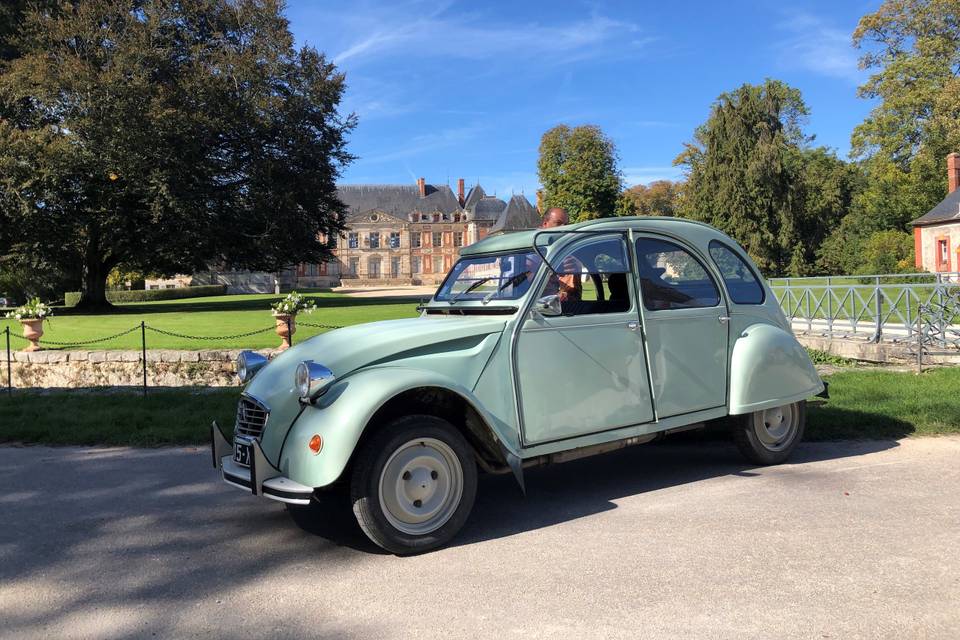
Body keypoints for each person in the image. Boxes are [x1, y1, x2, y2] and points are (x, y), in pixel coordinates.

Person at [538, 207, 582, 304]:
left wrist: (578, 269)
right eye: (558, 223)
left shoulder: (568, 253)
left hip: (562, 311)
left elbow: (575, 297)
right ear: (545, 224)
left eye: (566, 224)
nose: (564, 228)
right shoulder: (531, 251)